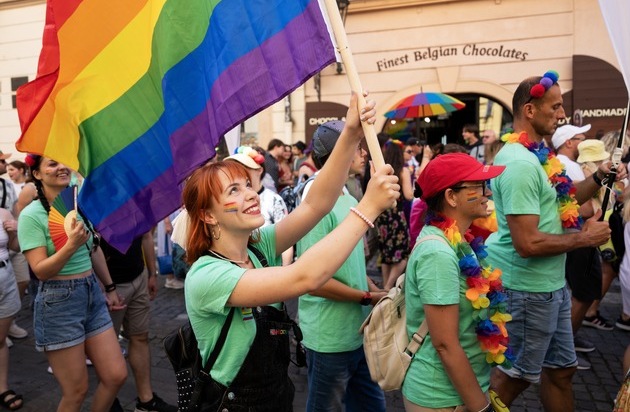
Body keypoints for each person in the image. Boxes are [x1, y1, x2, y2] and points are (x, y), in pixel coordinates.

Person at [181, 93, 399, 411]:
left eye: (247, 185)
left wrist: (351, 131)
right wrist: (368, 208)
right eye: (233, 190)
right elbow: (304, 277)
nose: (252, 194)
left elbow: (315, 204)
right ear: (208, 215)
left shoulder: (258, 248)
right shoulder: (206, 275)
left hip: (275, 398)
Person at [486, 70, 625, 410]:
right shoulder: (519, 163)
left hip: (552, 286)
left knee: (562, 370)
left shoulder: (541, 155)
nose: (562, 114)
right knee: (516, 376)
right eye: (556, 106)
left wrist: (598, 176)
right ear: (530, 110)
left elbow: (568, 198)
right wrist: (584, 238)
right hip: (528, 291)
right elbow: (527, 244)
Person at [17, 155, 127, 411]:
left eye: (63, 161)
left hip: (92, 294)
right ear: (37, 174)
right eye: (51, 164)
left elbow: (93, 249)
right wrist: (70, 245)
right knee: (76, 392)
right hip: (58, 302)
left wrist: (109, 288)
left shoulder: (76, 207)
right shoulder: (31, 216)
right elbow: (41, 271)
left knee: (116, 375)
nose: (61, 167)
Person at [403, 153, 509, 411]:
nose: (488, 194)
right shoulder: (438, 253)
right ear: (451, 197)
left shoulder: (458, 240)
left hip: (458, 391)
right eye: (479, 186)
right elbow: (445, 344)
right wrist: (480, 406)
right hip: (440, 396)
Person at [296, 120, 387, 412]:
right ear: (339, 153)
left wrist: (371, 287)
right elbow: (313, 279)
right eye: (356, 146)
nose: (363, 153)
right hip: (329, 338)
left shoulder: (345, 193)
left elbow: (348, 263)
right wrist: (365, 297)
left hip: (355, 331)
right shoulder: (316, 196)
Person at [100, 233, 177, 412]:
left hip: (138, 276)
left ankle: (146, 401)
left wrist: (152, 274)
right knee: (105, 348)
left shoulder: (134, 204)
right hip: (111, 286)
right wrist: (105, 287)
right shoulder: (92, 205)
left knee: (140, 337)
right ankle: (108, 402)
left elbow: (146, 236)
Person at [551, 124, 601, 370]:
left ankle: (567, 342)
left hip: (576, 236)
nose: (585, 141)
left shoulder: (558, 162)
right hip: (579, 235)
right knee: (583, 292)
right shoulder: (568, 165)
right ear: (569, 143)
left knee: (580, 291)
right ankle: (564, 348)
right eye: (581, 138)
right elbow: (579, 206)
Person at [577, 138, 621, 332]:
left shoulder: (591, 172)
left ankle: (590, 311)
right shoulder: (588, 173)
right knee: (602, 272)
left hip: (599, 224)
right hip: (594, 225)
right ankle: (589, 312)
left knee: (604, 270)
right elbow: (585, 209)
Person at [225, 147, 293, 266]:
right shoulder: (231, 203)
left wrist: (283, 272)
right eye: (234, 167)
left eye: (243, 167)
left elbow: (287, 239)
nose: (238, 172)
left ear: (259, 170)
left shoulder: (273, 200)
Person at [375, 139, 414, 289]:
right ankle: (388, 286)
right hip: (397, 214)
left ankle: (385, 288)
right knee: (402, 252)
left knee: (386, 253)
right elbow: (409, 195)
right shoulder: (402, 170)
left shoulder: (381, 170)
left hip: (383, 214)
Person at [0, 206, 23, 410]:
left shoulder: (3, 212)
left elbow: (15, 247)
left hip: (5, 281)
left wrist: (16, 231)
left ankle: (2, 387)